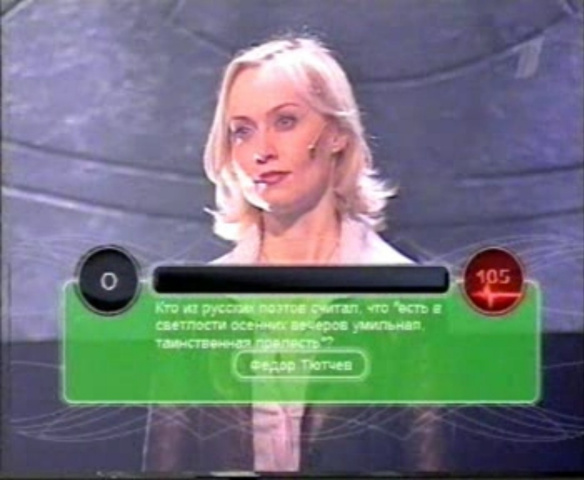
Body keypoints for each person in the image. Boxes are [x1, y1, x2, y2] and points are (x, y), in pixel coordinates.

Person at [143, 35, 442, 474]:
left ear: (337, 134)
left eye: (285, 121)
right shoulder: (195, 306)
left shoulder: (409, 301)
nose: (261, 151)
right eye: (242, 131)